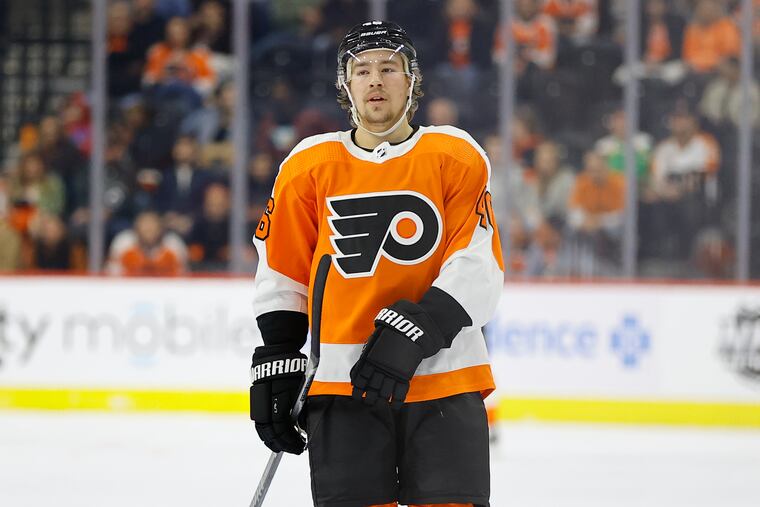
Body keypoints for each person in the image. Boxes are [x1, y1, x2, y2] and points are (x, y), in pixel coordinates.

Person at [250, 21, 504, 507]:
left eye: (389, 68)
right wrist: (278, 355)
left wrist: (418, 330)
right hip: (340, 386)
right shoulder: (309, 164)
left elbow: (477, 261)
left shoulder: (454, 154)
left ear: (412, 81)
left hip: (443, 377)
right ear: (345, 85)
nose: (375, 80)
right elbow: (282, 270)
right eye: (361, 70)